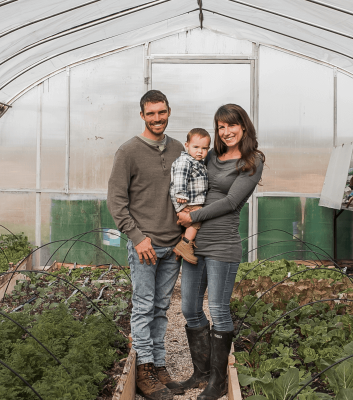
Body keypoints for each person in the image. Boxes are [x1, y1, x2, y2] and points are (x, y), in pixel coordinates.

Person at [176, 104, 265, 400]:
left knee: (218, 309)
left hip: (222, 243)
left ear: (243, 126)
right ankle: (200, 373)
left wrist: (193, 217)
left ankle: (218, 380)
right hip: (195, 243)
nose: (225, 132)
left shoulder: (253, 160)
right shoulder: (211, 155)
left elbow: (230, 201)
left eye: (231, 125)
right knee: (189, 307)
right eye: (220, 127)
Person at [107, 90, 185, 400]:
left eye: (161, 112)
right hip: (145, 247)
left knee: (162, 308)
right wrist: (137, 238)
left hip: (172, 245)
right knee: (143, 307)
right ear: (142, 115)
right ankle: (143, 371)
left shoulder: (179, 148)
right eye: (150, 113)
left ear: (169, 112)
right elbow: (116, 200)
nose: (157, 118)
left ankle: (159, 364)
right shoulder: (128, 151)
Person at [170, 128, 211, 264]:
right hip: (188, 201)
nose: (200, 151)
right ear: (186, 145)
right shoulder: (185, 161)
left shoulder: (197, 162)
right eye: (196, 147)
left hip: (191, 200)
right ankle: (185, 244)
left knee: (192, 223)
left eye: (204, 148)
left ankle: (183, 242)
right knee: (197, 220)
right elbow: (180, 177)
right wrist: (181, 194)